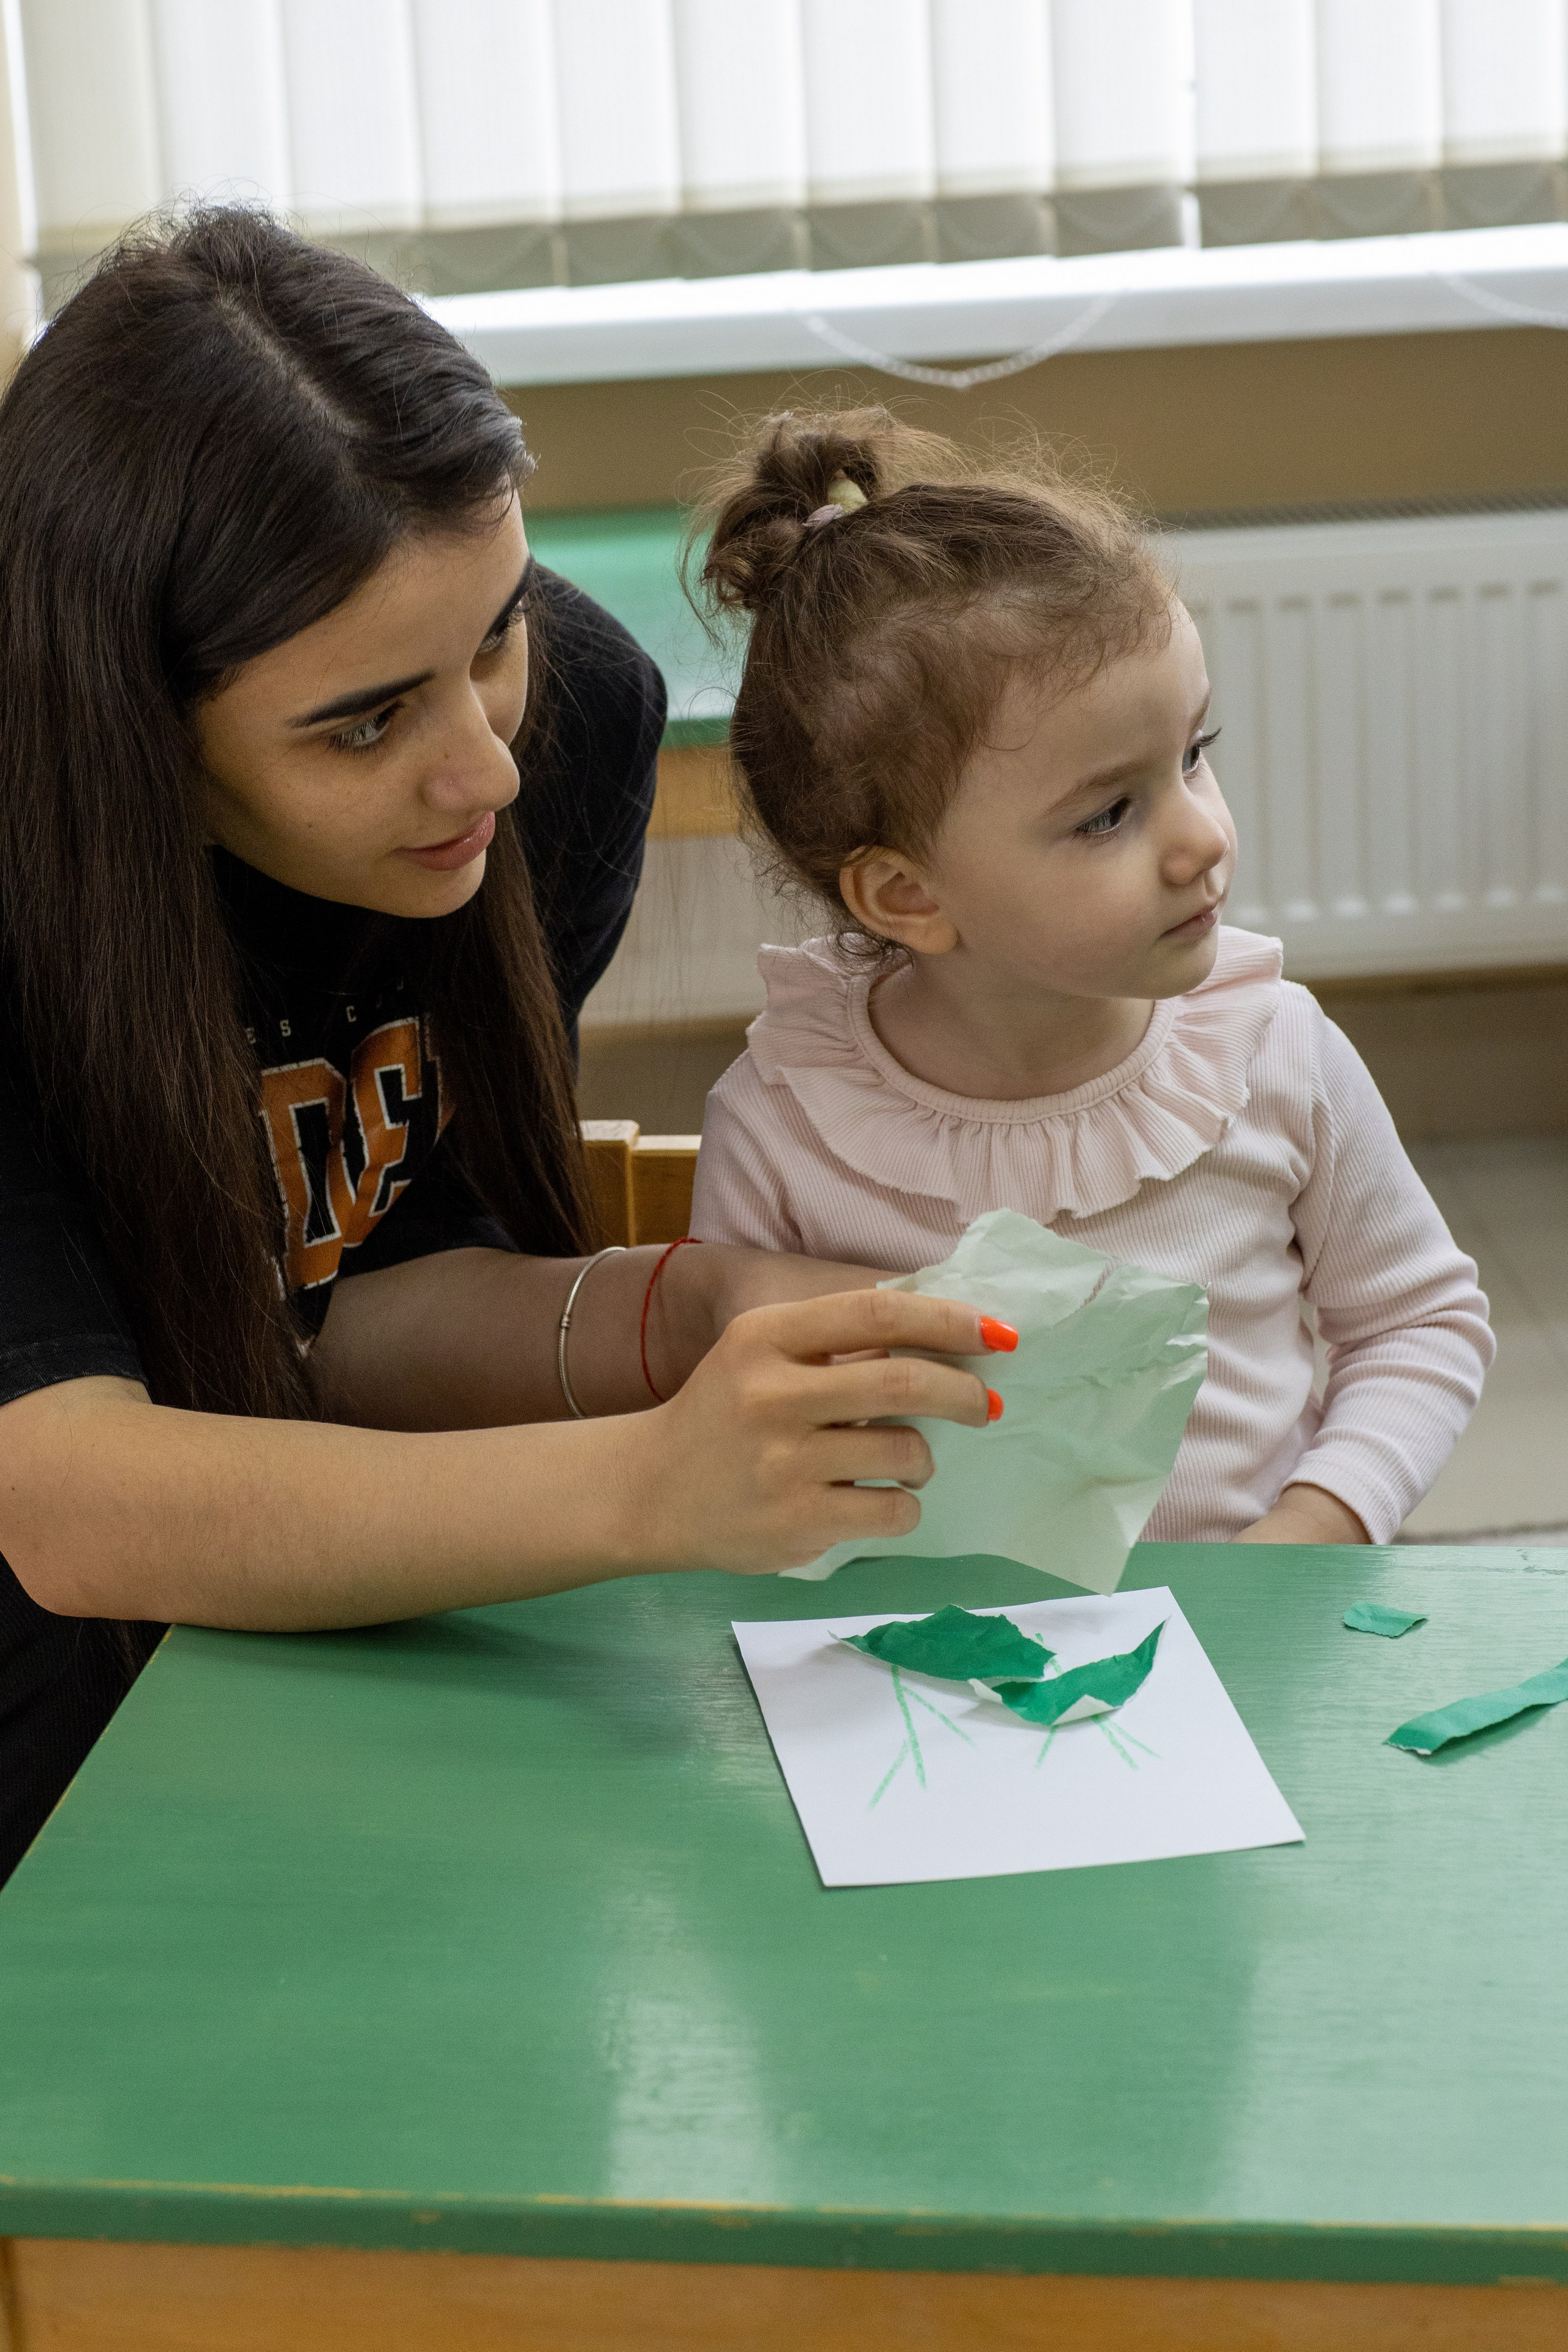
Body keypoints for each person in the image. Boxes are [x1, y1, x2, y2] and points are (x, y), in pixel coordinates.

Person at [0, 224, 1011, 1883]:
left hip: (357, 1616)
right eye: (364, 722)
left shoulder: (581, 715)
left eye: (492, 633)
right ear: (131, 735)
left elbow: (352, 1305)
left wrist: (664, 1309)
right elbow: (68, 1496)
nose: (490, 771)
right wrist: (648, 1486)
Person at [688, 411, 1495, 1547]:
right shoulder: (783, 1122)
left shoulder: (1269, 1051)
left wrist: (1317, 1528)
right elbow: (747, 1428)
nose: (1201, 840)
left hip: (1252, 1659)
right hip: (931, 1672)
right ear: (909, 897)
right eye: (1108, 813)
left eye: (1195, 757)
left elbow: (1420, 1325)